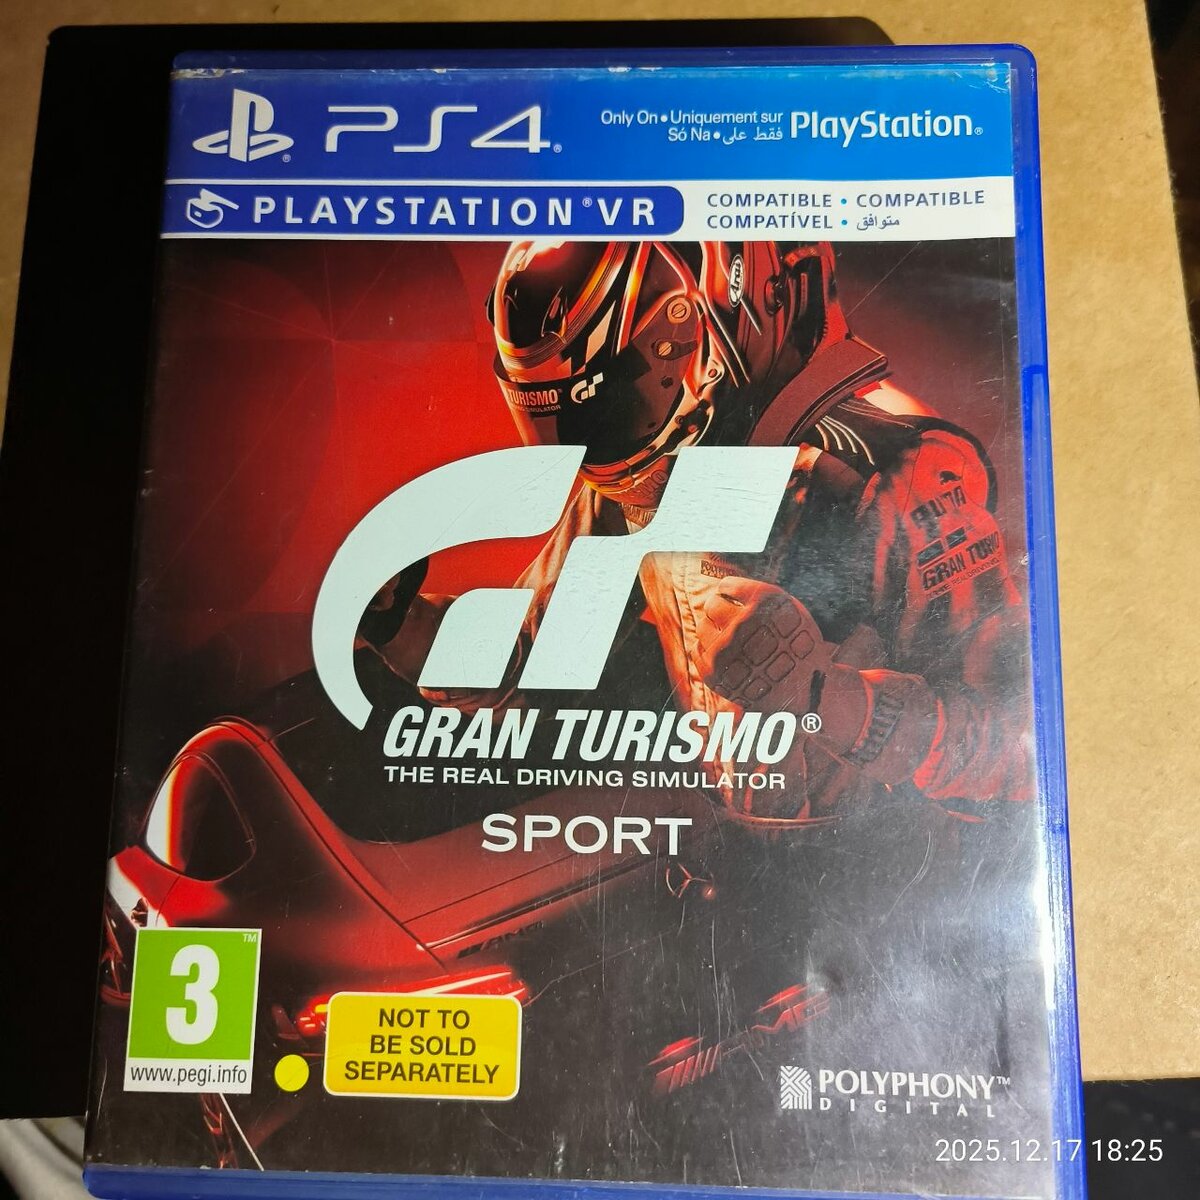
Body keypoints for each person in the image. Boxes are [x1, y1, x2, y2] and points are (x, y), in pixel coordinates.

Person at [362, 240, 1032, 825]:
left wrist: (822, 695)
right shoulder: (639, 476)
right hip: (726, 865)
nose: (587, 449)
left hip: (881, 885)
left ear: (705, 330)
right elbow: (536, 660)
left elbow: (1016, 752)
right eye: (561, 418)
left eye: (607, 405)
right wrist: (400, 622)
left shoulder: (904, 475)